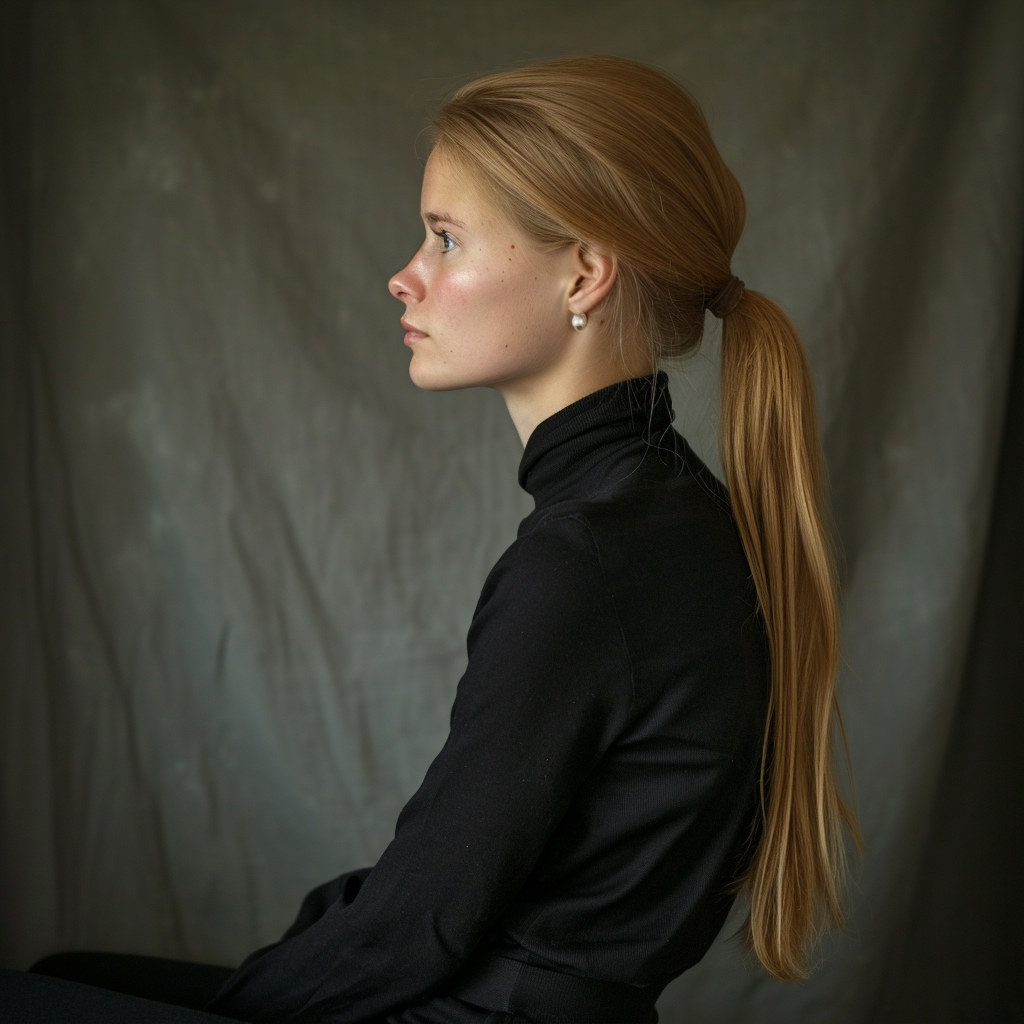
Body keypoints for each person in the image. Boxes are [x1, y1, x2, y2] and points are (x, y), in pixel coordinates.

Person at [12, 55, 856, 1024]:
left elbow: (417, 926)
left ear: (583, 271)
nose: (404, 276)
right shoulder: (672, 512)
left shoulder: (582, 561)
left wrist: (248, 1002)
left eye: (445, 239)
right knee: (65, 967)